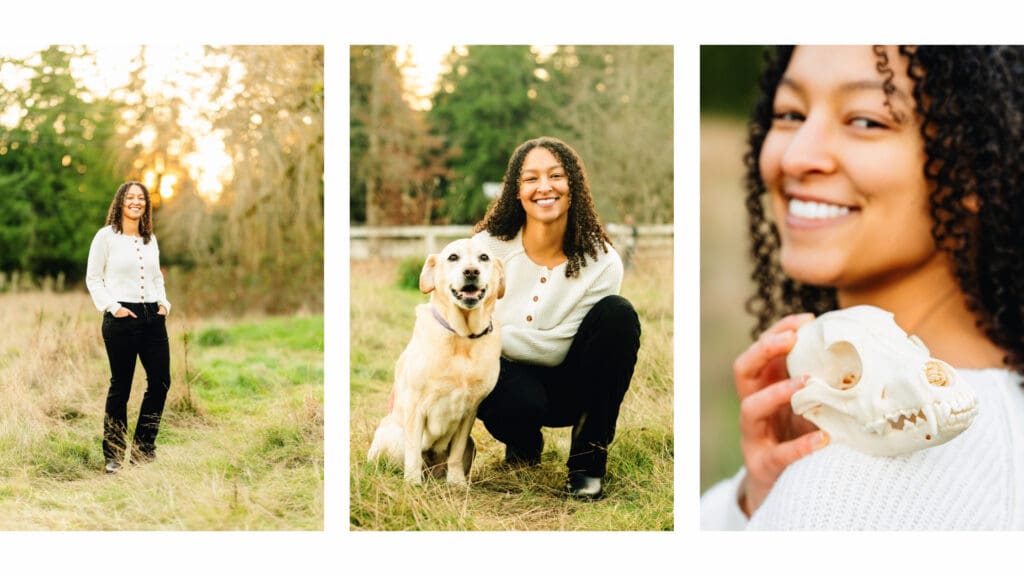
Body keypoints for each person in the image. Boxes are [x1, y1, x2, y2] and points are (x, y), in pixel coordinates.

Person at [701, 46, 1024, 529]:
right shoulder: (1003, 410)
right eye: (790, 114)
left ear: (977, 166)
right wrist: (755, 499)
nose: (796, 156)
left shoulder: (859, 474)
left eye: (866, 120)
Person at [472, 136, 641, 499]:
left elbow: (558, 347)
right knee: (512, 397)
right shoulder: (486, 248)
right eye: (531, 178)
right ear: (516, 191)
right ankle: (523, 445)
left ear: (573, 186)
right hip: (505, 379)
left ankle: (587, 467)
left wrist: (489, 332)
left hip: (572, 383)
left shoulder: (602, 261)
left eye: (555, 176)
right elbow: (450, 319)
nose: (544, 187)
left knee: (619, 315)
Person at [86, 181, 172, 475]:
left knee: (161, 382)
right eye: (130, 197)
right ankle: (113, 456)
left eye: (141, 198)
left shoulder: (150, 240)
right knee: (120, 387)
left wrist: (164, 304)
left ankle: (143, 450)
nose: (136, 202)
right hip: (121, 317)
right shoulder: (105, 237)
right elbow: (93, 278)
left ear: (146, 205)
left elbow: (157, 278)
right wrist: (114, 307)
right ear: (120, 202)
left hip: (152, 317)